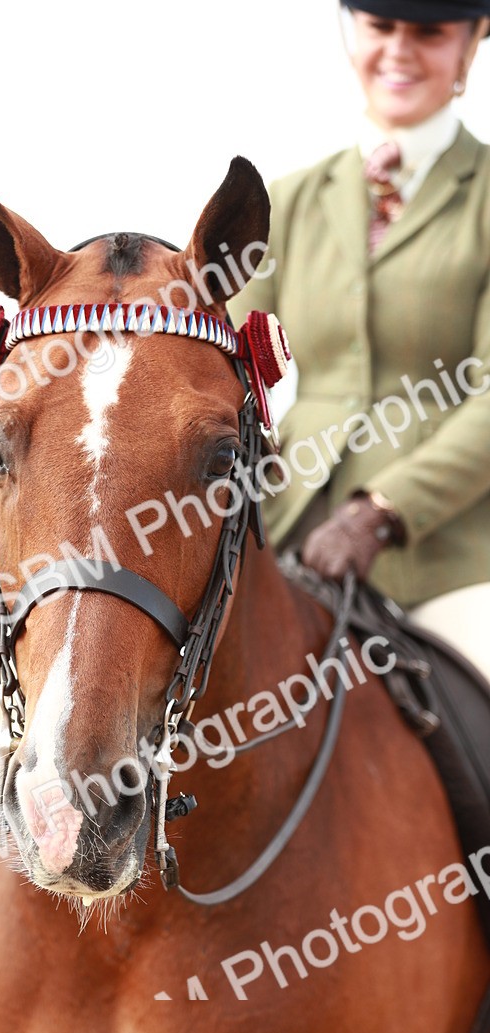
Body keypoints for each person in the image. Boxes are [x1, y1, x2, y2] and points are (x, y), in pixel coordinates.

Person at [229, 0, 490, 679]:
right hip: (289, 530)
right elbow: (220, 358)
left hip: (452, 558)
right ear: (354, 36)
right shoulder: (284, 201)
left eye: (429, 33)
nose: (400, 50)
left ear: (470, 45)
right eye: (382, 28)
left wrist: (383, 510)